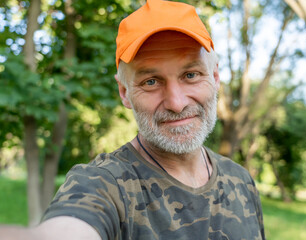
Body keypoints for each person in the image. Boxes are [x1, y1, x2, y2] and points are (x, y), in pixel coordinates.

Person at [0, 0, 265, 239]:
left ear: (215, 78)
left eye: (191, 75)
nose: (176, 103)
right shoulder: (104, 184)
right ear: (125, 93)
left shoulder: (242, 181)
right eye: (151, 81)